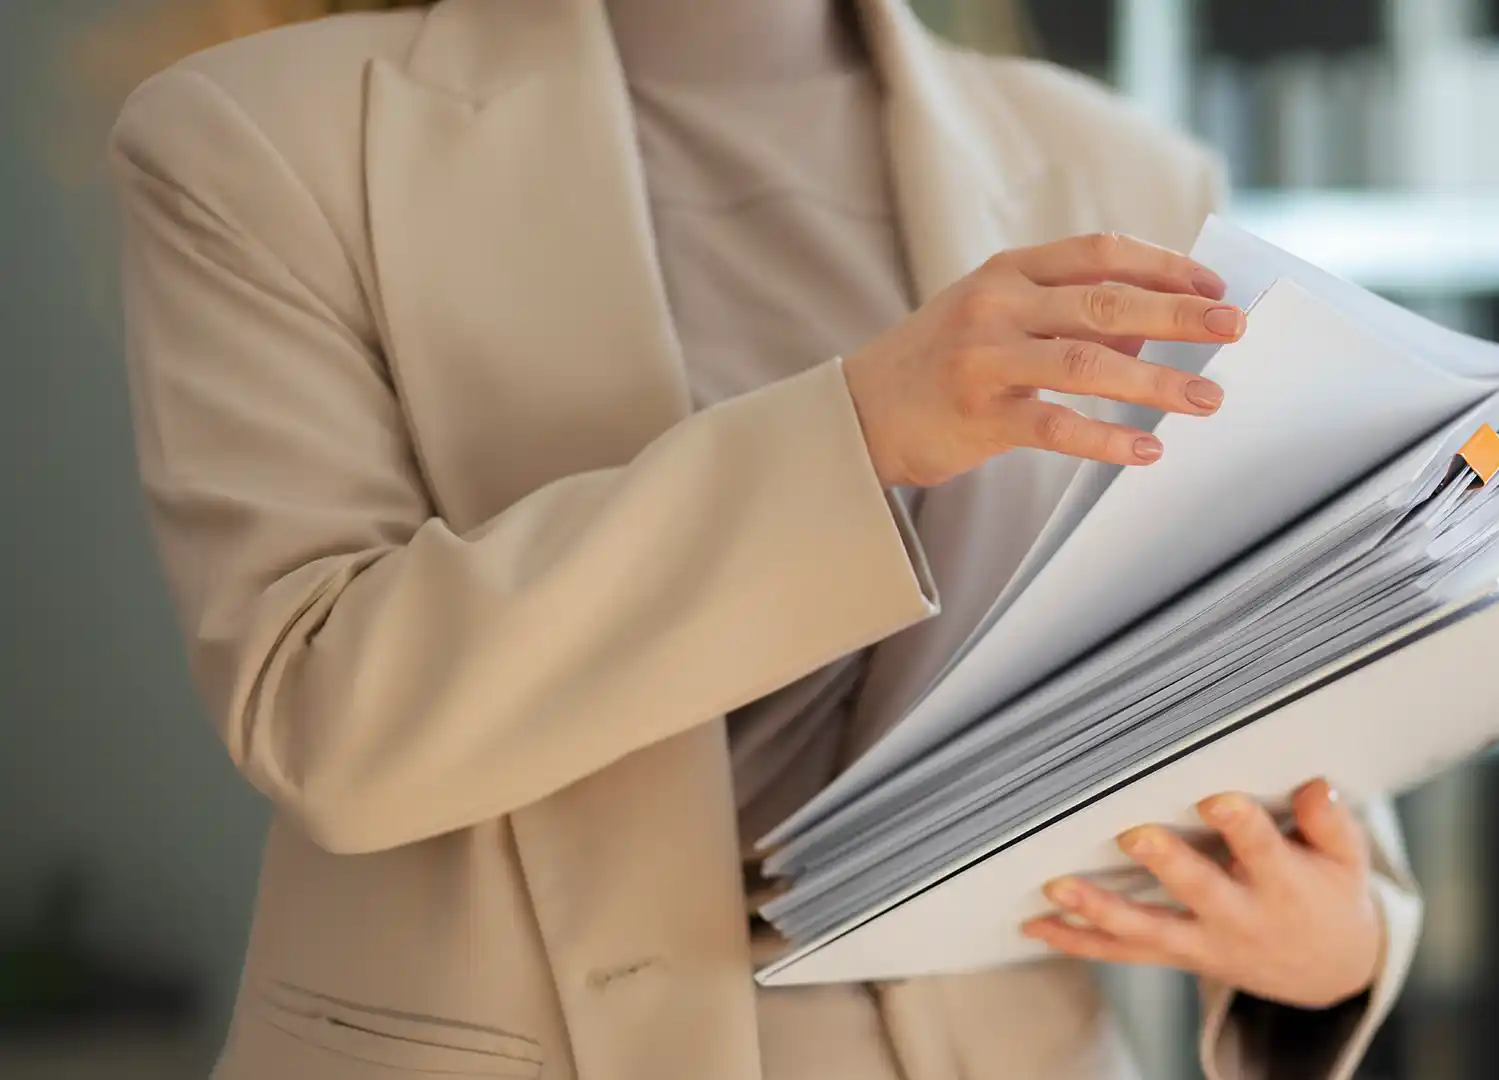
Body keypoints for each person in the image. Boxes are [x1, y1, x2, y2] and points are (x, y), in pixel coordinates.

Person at [107, 0, 1421, 1077]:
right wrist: (851, 436)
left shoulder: (1127, 166)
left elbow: (1242, 664)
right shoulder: (258, 139)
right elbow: (335, 717)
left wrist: (1335, 946)